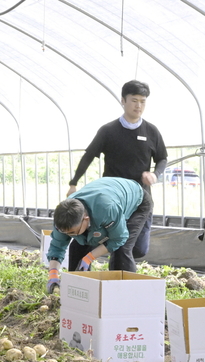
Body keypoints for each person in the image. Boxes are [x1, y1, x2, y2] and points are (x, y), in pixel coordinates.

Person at [66, 80, 167, 268]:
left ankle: (113, 258)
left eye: (143, 101)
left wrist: (156, 174)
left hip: (140, 200)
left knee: (139, 249)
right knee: (122, 247)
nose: (138, 106)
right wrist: (74, 183)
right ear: (123, 100)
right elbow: (88, 156)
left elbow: (162, 158)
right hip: (112, 201)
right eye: (134, 100)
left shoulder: (151, 131)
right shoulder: (109, 131)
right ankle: (103, 281)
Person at [45, 177, 152, 294]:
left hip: (136, 200)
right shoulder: (62, 216)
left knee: (122, 249)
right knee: (78, 246)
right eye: (65, 232)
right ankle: (79, 291)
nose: (69, 236)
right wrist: (53, 274)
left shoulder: (107, 209)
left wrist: (88, 258)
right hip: (107, 195)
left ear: (86, 219)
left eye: (72, 232)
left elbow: (118, 239)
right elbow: (57, 246)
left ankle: (124, 293)